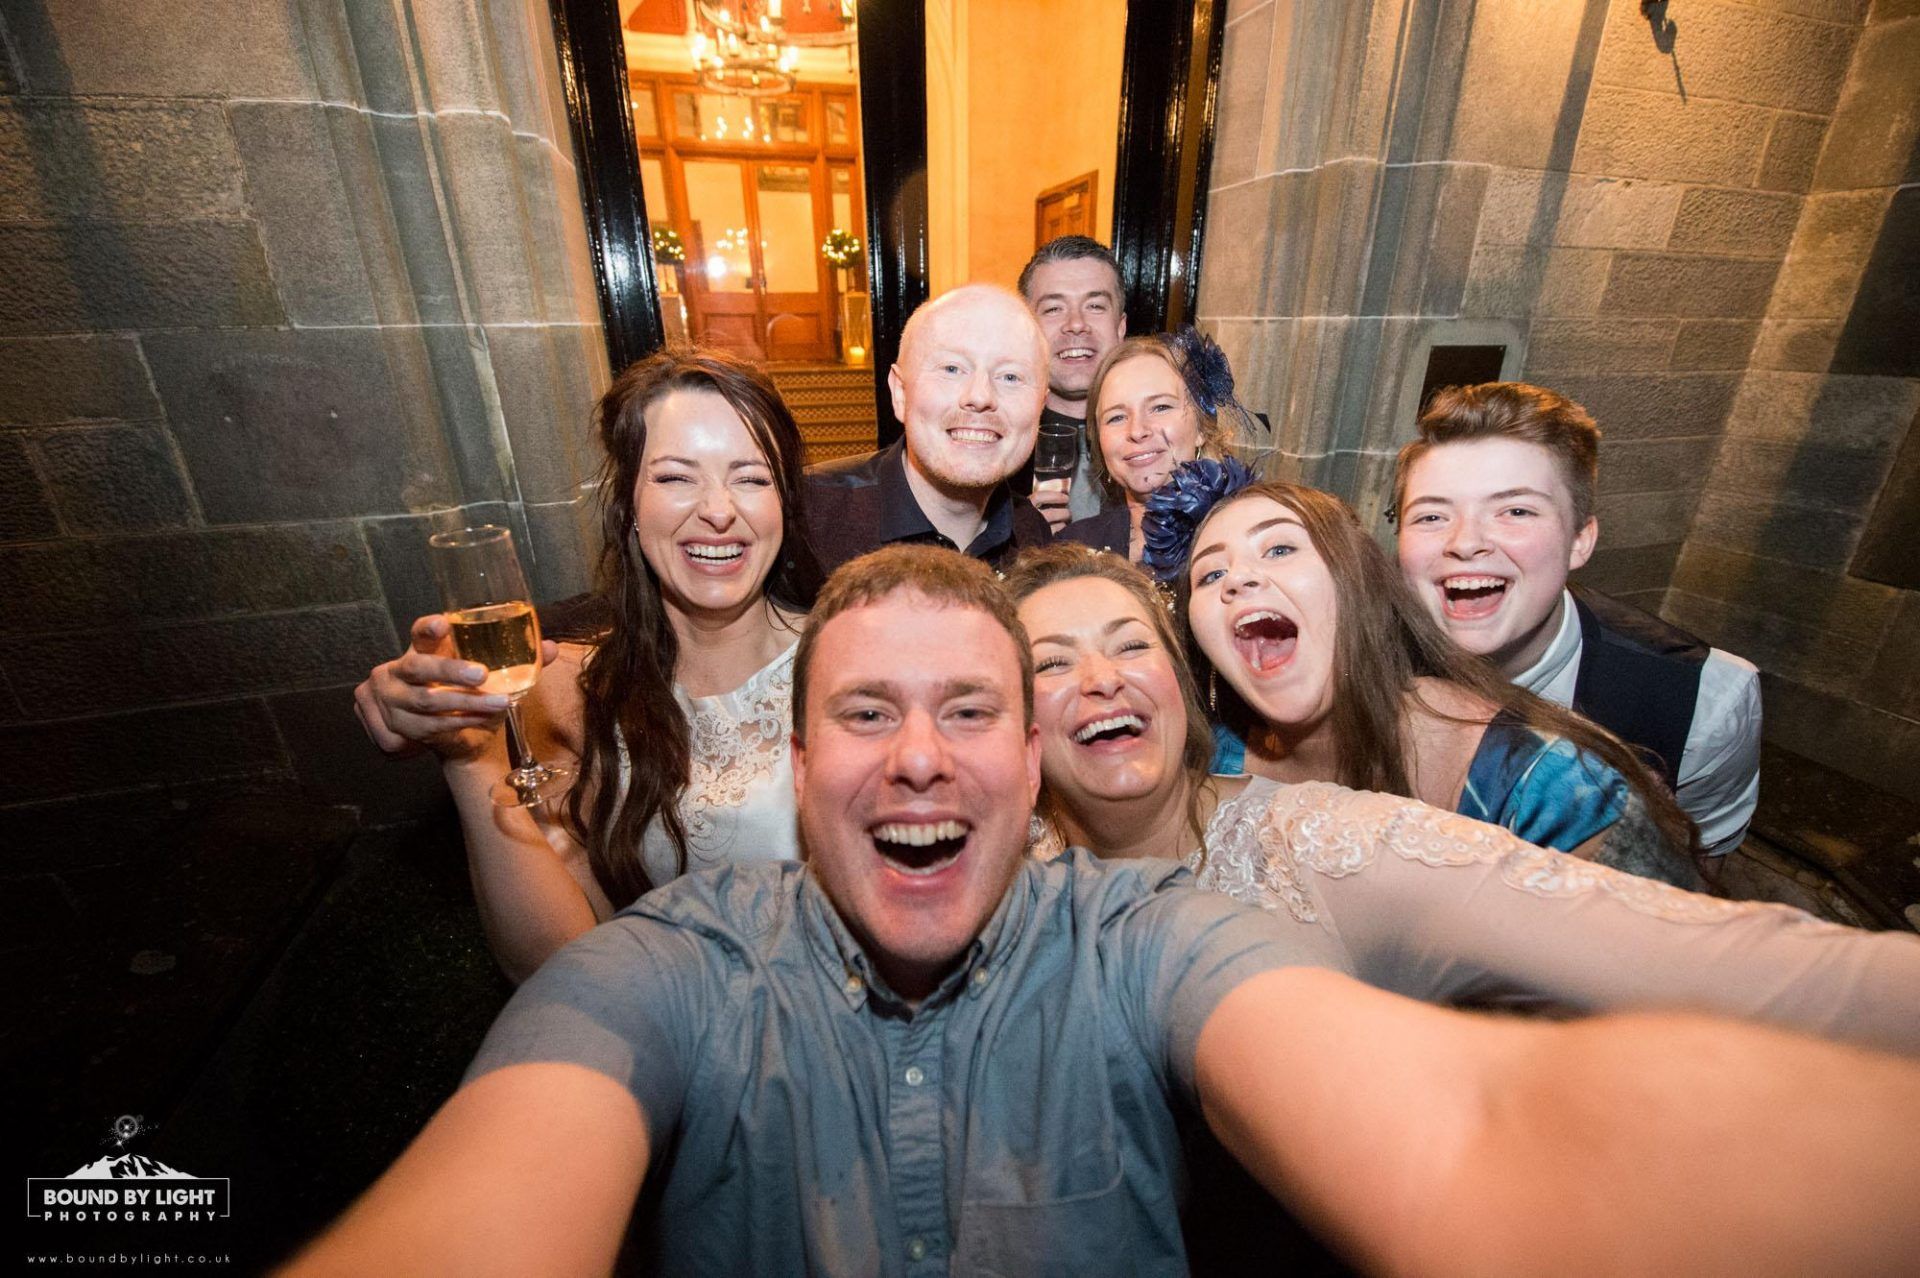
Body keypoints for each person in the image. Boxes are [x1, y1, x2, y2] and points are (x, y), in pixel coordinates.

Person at [291, 545, 1920, 1277]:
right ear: (789, 764)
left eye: (970, 707)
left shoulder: (1155, 928)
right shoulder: (670, 967)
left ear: (1029, 757)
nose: (919, 752)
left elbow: (1486, 1135)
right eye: (867, 713)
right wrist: (475, 738)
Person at [1005, 543, 1920, 1049]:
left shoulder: (1319, 836)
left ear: (1181, 683)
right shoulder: (999, 867)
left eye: (1131, 646)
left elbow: (1699, 956)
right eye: (1050, 662)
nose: (1098, 678)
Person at [351, 350, 820, 983]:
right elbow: (558, 967)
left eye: (752, 477)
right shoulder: (578, 690)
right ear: (627, 503)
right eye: (676, 477)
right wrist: (469, 756)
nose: (717, 509)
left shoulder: (846, 663)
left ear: (785, 504)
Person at [1147, 462, 1701, 887]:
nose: (1238, 579)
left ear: (1357, 582)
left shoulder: (1553, 793)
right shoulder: (1207, 757)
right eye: (1211, 572)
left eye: (1280, 548)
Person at [1394, 381, 1762, 860]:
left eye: (1515, 510)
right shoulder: (1347, 657)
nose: (1465, 542)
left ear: (1580, 540)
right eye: (1431, 517)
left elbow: (1696, 867)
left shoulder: (1702, 700)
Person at [803, 284, 1053, 573]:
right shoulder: (808, 519)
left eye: (1010, 376)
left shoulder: (1033, 539)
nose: (981, 396)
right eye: (952, 369)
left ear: (1040, 405)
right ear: (900, 393)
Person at [1056, 329, 1234, 562]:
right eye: (1116, 417)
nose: (1138, 431)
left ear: (1201, 427)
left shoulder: (1241, 533)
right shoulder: (1072, 550)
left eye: (1160, 407)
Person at [1015, 235, 1130, 531]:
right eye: (1054, 309)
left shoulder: (1155, 442)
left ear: (1121, 327)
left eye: (1095, 306)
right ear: (1026, 330)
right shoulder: (995, 449)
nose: (1076, 324)